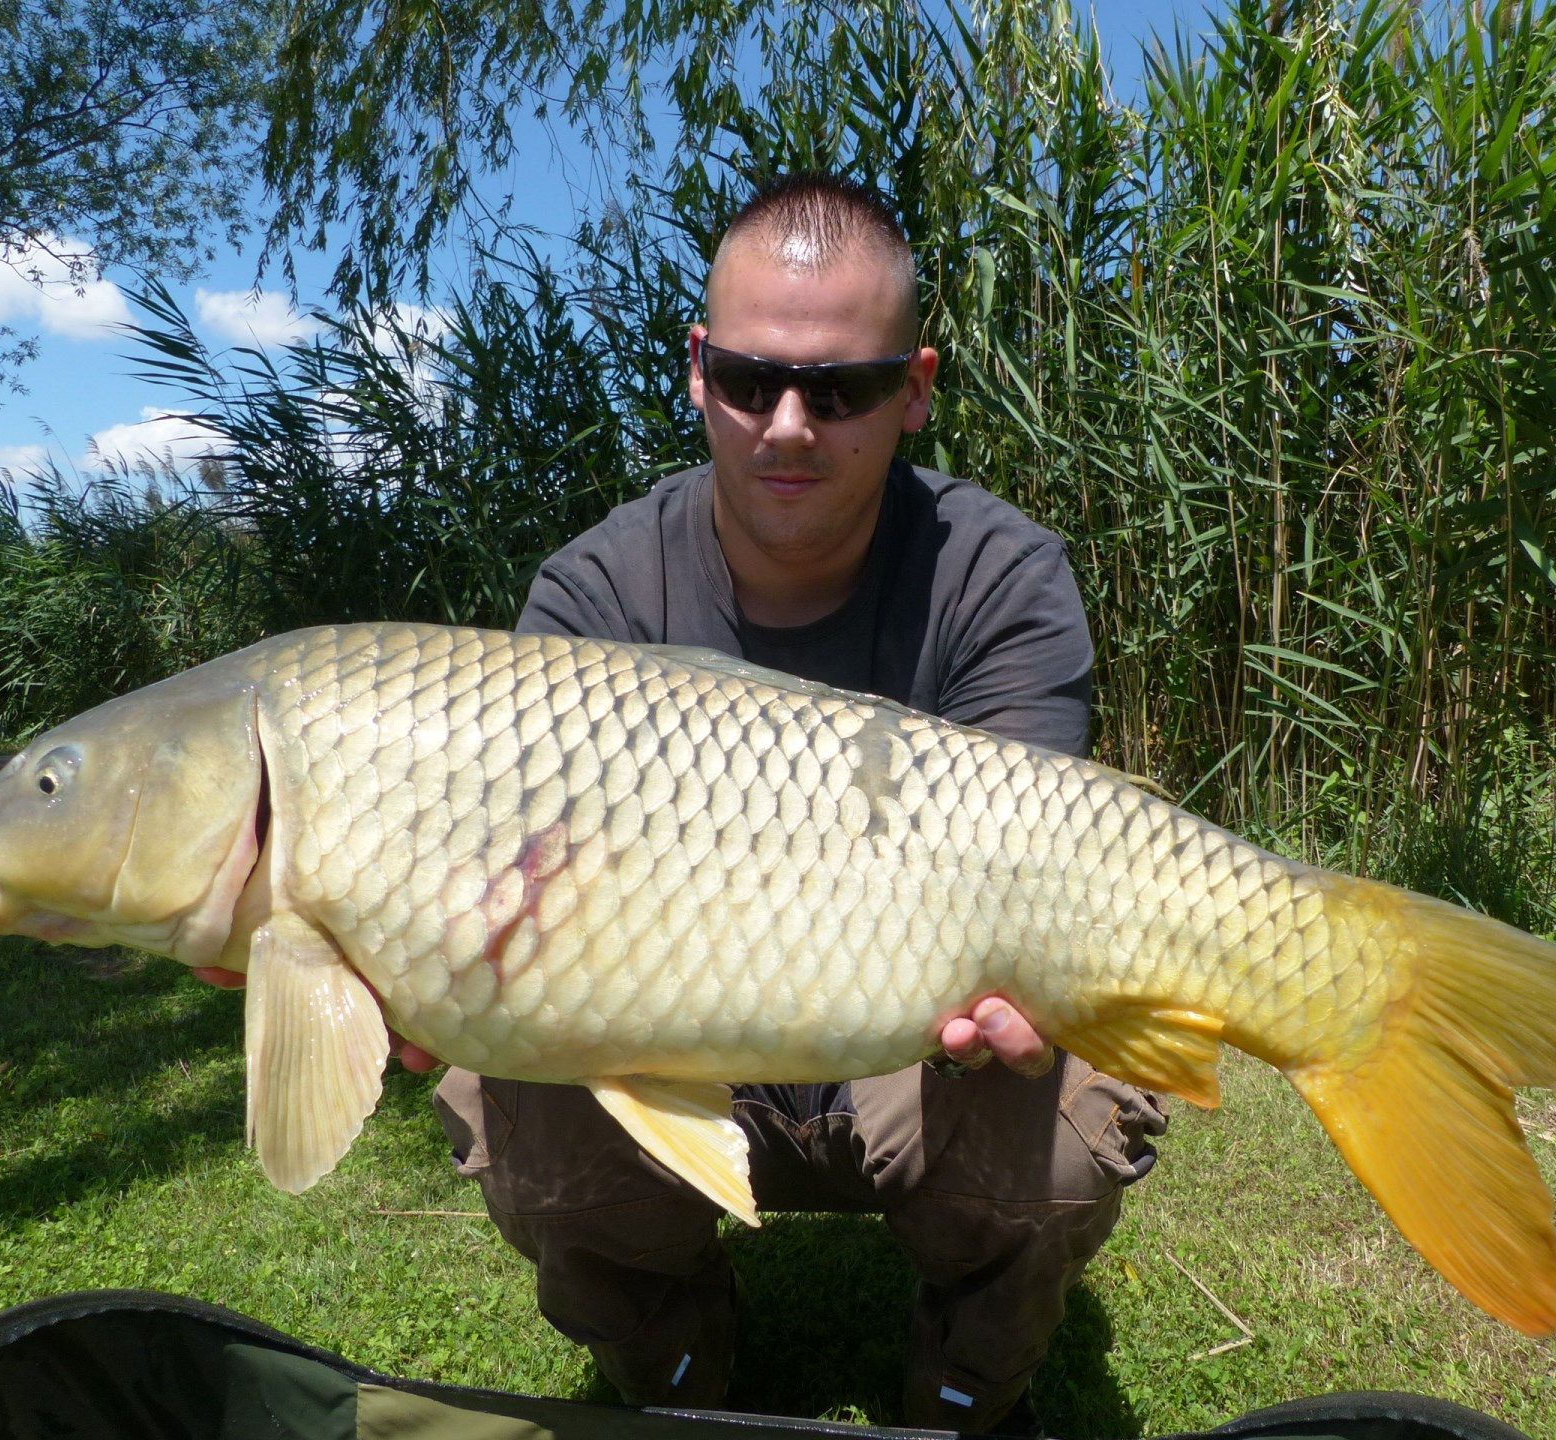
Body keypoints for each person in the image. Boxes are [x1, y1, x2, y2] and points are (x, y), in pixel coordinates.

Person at [427, 172, 1168, 1435]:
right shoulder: (591, 598)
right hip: (668, 1042)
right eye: (749, 380)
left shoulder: (996, 576)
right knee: (512, 1069)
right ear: (698, 368)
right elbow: (528, 890)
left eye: (840, 390)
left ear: (916, 388)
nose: (785, 426)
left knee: (1064, 1095)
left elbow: (1042, 873)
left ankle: (960, 1395)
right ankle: (672, 1369)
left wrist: (1046, 994)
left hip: (914, 1042)